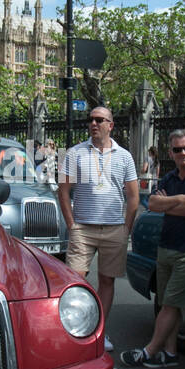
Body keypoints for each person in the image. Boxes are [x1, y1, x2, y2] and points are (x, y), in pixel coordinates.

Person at [120, 129, 185, 368]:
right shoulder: (170, 178)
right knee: (164, 302)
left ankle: (150, 351)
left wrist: (168, 203)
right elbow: (151, 203)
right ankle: (170, 353)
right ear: (170, 152)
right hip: (166, 246)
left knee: (171, 303)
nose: (183, 153)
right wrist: (182, 199)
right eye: (177, 149)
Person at [59, 106, 139, 351]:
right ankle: (76, 330)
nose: (94, 123)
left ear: (110, 125)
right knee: (75, 280)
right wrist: (72, 225)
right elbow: (63, 191)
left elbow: (133, 195)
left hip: (114, 229)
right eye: (91, 119)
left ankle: (99, 332)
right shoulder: (74, 153)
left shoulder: (124, 156)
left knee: (107, 281)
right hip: (83, 228)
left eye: (100, 120)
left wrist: (126, 228)